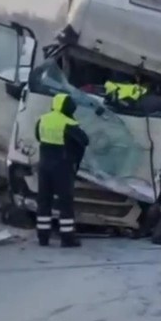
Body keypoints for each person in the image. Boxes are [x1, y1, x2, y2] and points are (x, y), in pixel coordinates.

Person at [35, 93, 89, 248]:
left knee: (44, 201)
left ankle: (43, 237)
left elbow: (38, 135)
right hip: (62, 167)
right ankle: (67, 238)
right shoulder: (68, 123)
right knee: (65, 202)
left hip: (44, 165)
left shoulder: (43, 119)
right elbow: (84, 140)